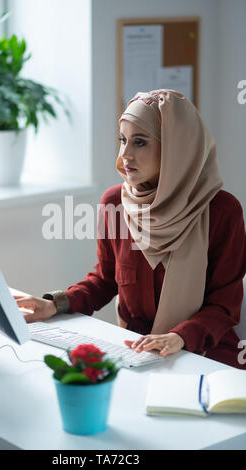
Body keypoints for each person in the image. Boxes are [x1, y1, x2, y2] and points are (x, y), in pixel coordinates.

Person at [15, 89, 246, 370]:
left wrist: (179, 337)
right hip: (136, 350)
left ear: (175, 148)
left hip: (207, 353)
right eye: (123, 140)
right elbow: (105, 279)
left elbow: (225, 307)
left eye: (139, 142)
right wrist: (54, 305)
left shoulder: (222, 211)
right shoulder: (115, 202)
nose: (125, 154)